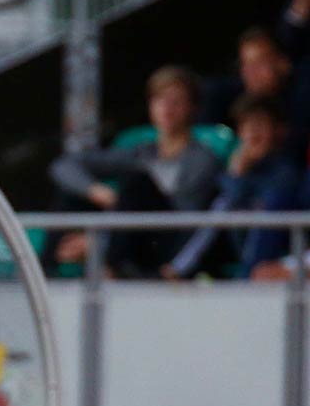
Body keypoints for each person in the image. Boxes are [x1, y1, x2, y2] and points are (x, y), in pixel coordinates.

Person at [48, 66, 222, 278]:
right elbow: (64, 165)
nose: (167, 108)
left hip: (164, 242)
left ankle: (112, 267)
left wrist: (100, 241)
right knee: (70, 195)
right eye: (159, 100)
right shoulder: (143, 152)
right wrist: (96, 191)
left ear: (193, 108)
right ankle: (45, 273)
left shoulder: (202, 159)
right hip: (128, 235)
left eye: (176, 101)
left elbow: (184, 221)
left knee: (137, 182)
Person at [168, 94, 305, 281]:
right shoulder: (236, 171)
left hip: (278, 261)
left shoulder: (287, 172)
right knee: (218, 205)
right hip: (239, 256)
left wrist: (237, 178)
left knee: (270, 203)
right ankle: (177, 269)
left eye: (260, 124)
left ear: (279, 131)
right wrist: (236, 175)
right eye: (247, 125)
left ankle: (241, 277)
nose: (253, 132)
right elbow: (221, 214)